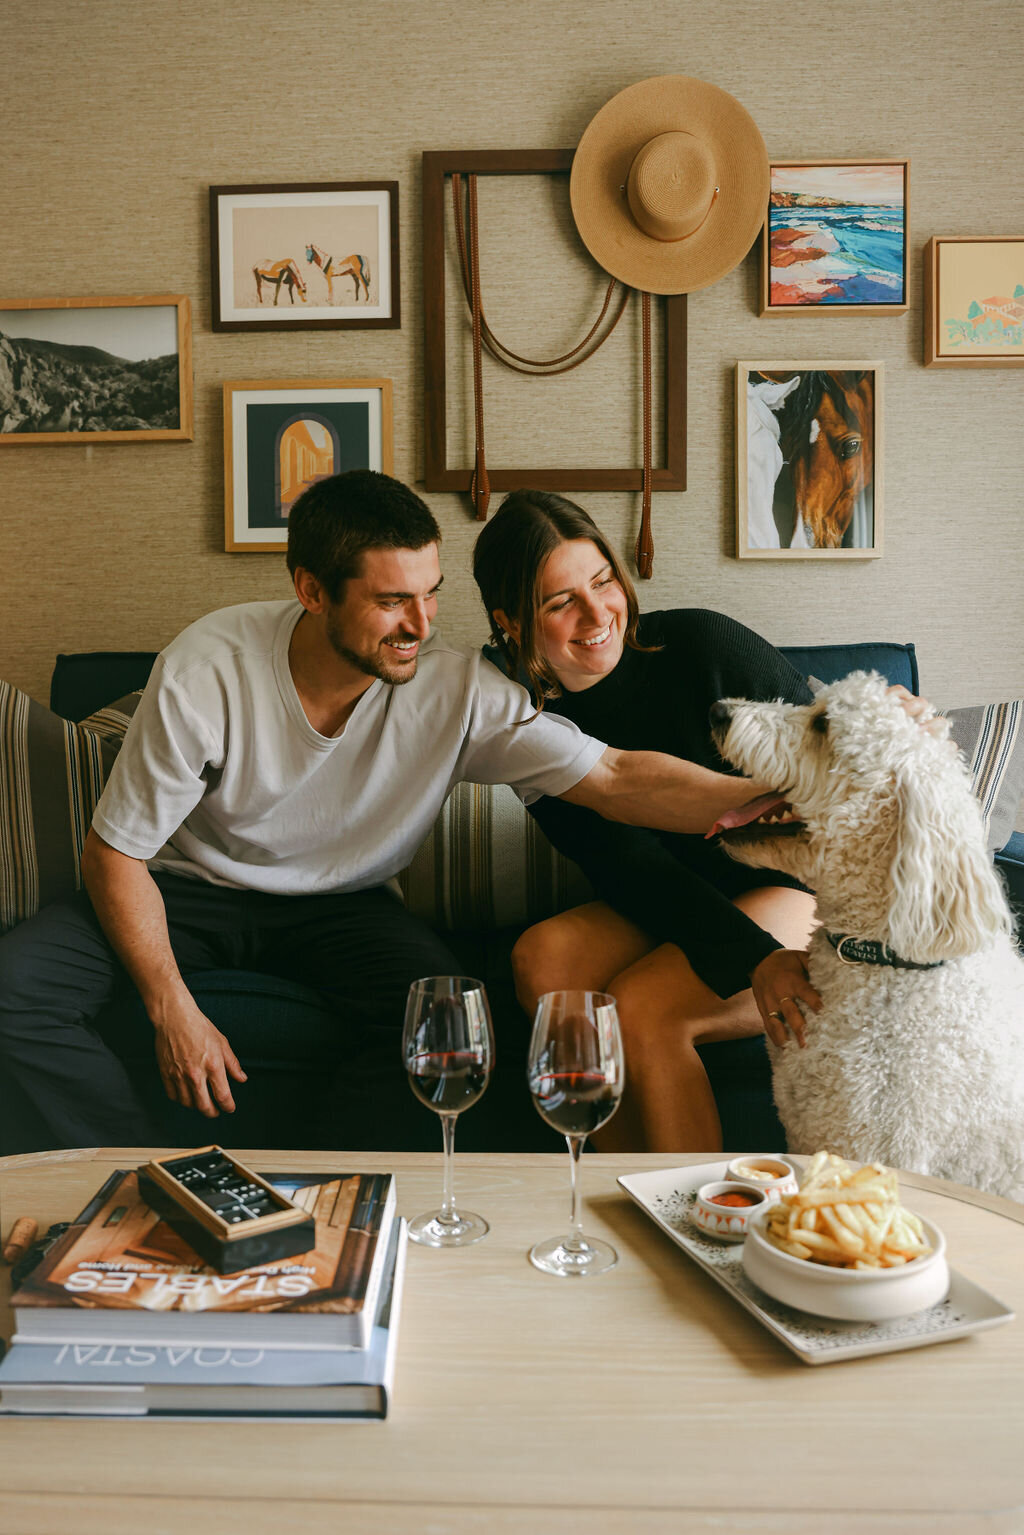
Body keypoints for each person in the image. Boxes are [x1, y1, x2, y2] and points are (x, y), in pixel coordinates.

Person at [0, 471, 774, 1153]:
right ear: (312, 591)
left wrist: (771, 794)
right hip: (183, 892)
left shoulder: (451, 689)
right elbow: (115, 853)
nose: (423, 623)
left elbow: (613, 776)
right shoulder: (207, 669)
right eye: (392, 600)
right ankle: (135, 1180)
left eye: (430, 592)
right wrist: (171, 1008)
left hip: (344, 910)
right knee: (16, 986)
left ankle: (336, 1193)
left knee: (448, 1023)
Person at [472, 488, 827, 1154]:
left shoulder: (699, 643)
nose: (596, 612)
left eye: (601, 580)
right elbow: (636, 873)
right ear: (511, 622)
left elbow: (825, 748)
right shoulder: (525, 724)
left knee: (643, 1008)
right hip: (670, 893)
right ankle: (629, 1195)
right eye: (559, 602)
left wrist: (759, 957)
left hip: (792, 888)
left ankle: (693, 1217)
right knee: (541, 962)